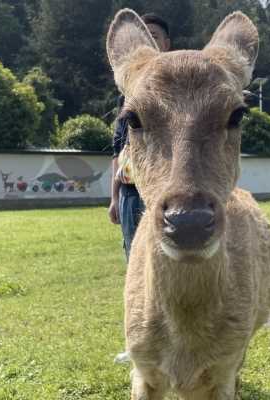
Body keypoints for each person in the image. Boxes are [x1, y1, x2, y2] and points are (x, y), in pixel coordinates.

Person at [108, 13, 171, 262]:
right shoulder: (128, 96)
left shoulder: (183, 86)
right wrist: (115, 197)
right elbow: (119, 149)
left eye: (153, 37)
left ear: (167, 43)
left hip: (166, 192)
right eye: (141, 39)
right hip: (131, 193)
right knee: (135, 258)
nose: (147, 44)